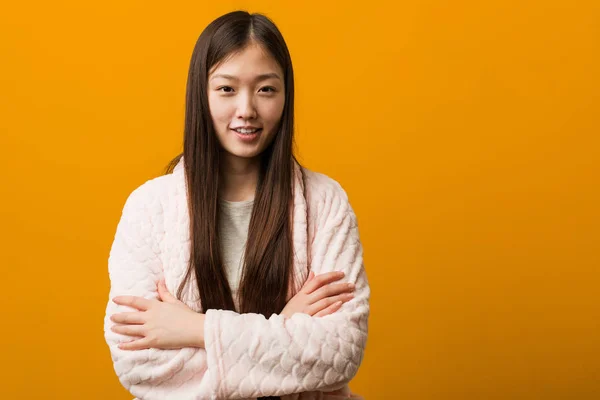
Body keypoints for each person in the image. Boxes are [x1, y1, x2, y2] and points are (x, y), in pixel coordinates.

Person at [103, 10, 370, 400]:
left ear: (286, 95)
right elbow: (139, 365)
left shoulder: (325, 203)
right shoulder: (150, 207)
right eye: (227, 89)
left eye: (266, 89)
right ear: (201, 94)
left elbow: (340, 351)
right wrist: (287, 326)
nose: (247, 109)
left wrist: (194, 329)